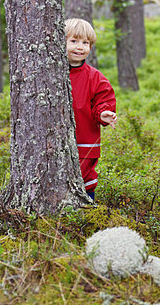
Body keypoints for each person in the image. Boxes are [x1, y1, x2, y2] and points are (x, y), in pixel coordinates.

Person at [65, 18, 117, 201]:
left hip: (85, 141)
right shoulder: (52, 73)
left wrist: (104, 113)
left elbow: (104, 99)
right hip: (55, 142)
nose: (80, 47)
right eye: (73, 41)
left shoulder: (95, 77)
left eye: (85, 43)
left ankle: (88, 206)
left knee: (85, 178)